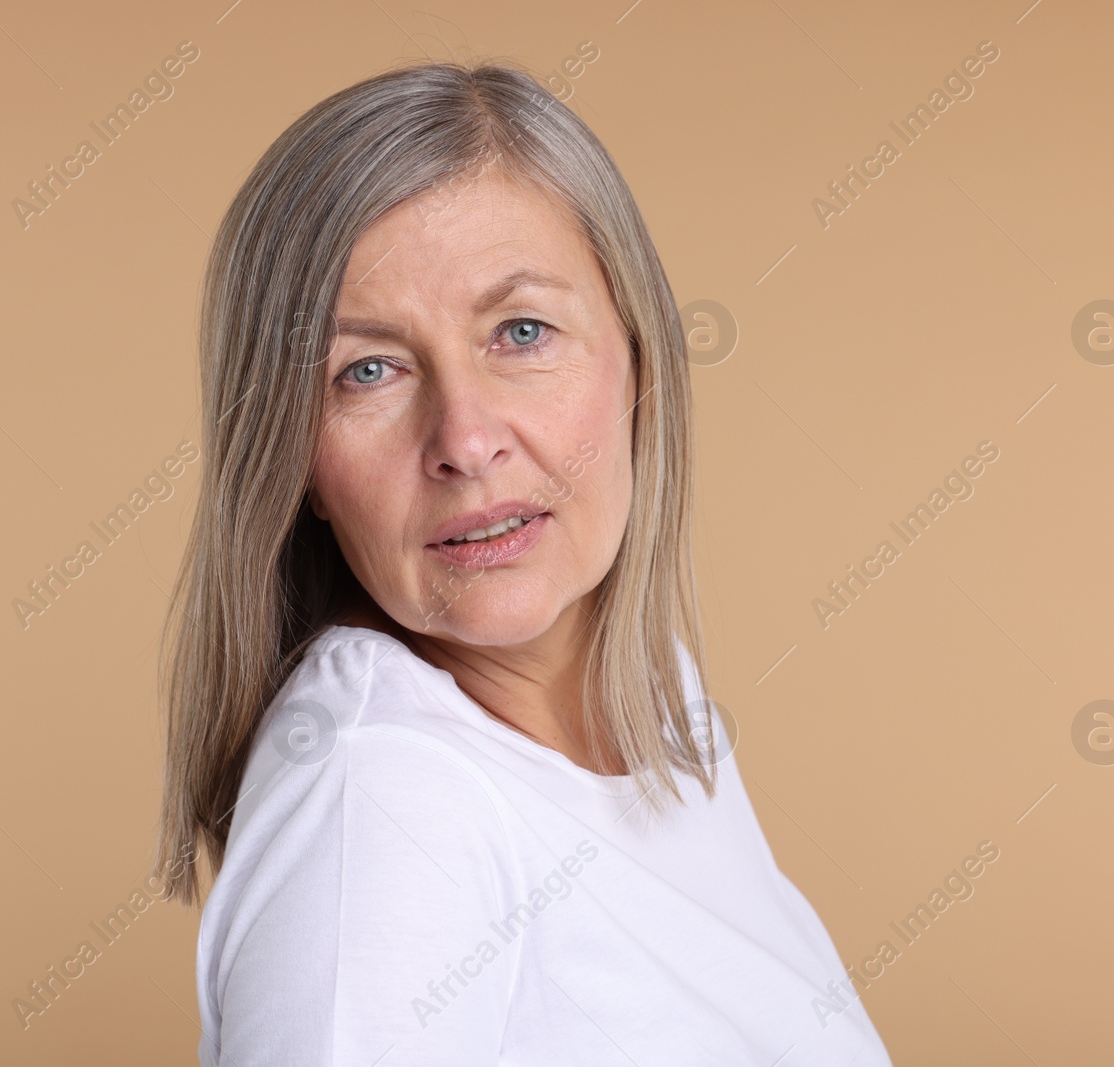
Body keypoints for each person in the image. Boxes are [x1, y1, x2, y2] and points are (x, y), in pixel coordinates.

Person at [154, 60, 891, 1066]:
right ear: (296, 462)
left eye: (521, 331)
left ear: (638, 358)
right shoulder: (383, 799)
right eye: (366, 370)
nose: (463, 437)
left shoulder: (651, 697)